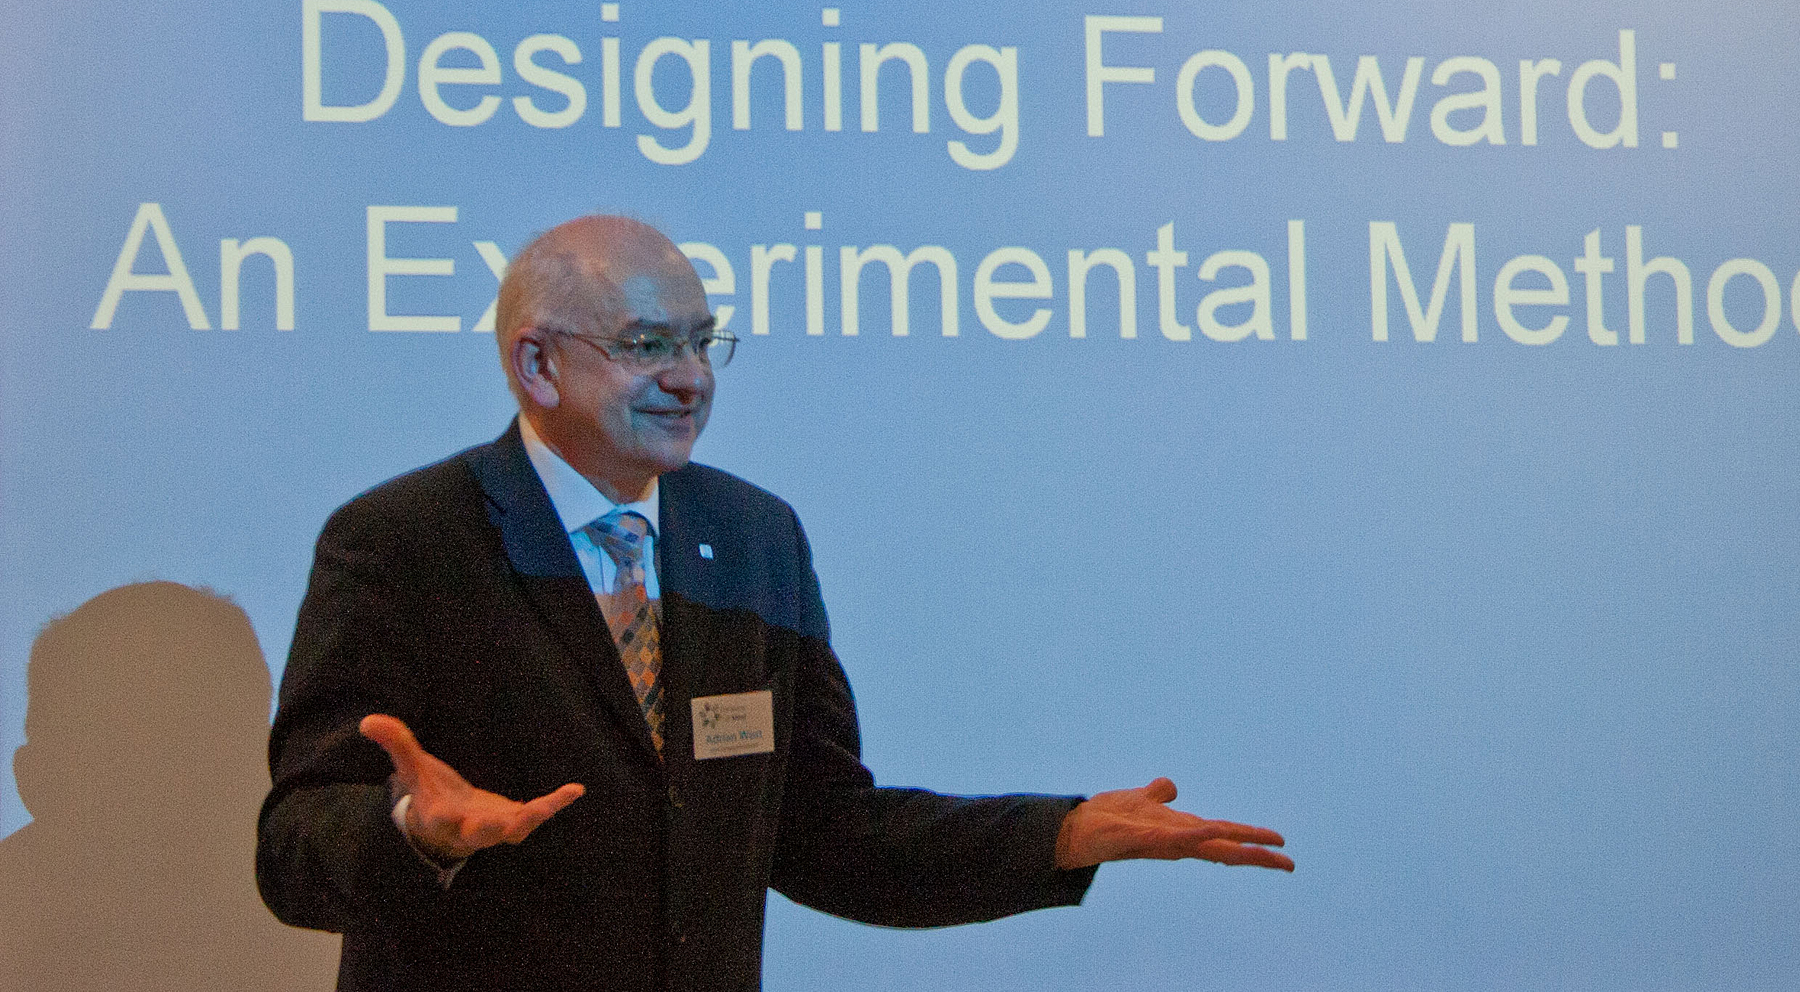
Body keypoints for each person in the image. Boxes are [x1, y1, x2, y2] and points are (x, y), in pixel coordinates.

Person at [256, 215, 1290, 992]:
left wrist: (1055, 835)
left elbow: (825, 832)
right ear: (537, 362)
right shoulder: (405, 542)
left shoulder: (753, 538)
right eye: (648, 346)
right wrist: (414, 831)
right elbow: (292, 849)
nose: (690, 379)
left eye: (703, 342)